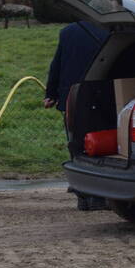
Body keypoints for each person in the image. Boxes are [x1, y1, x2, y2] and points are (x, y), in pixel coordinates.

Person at [43, 14, 108, 211]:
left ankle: (82, 194)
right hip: (102, 99)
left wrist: (51, 93)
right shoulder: (112, 32)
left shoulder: (68, 32)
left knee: (76, 146)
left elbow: (57, 64)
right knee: (100, 148)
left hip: (72, 99)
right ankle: (99, 196)